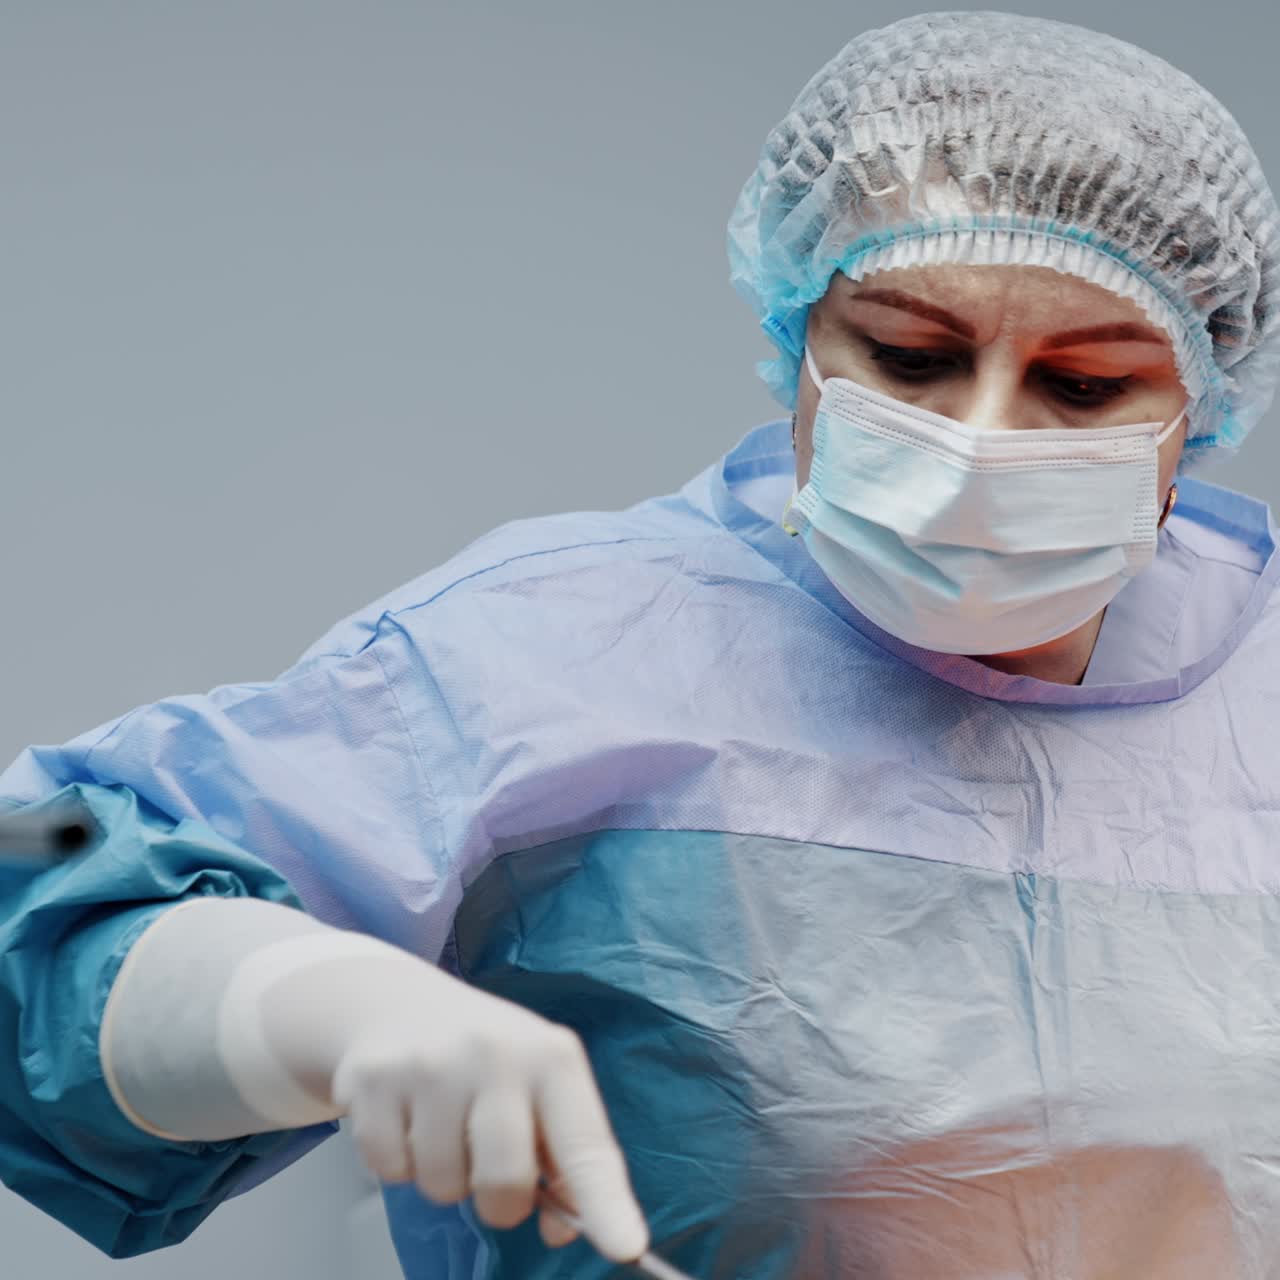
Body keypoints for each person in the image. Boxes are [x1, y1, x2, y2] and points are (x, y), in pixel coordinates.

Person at [3, 10, 1280, 1277]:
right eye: (907, 355)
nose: (980, 443)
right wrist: (307, 1002)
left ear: (1202, 394)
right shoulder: (554, 652)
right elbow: (45, 905)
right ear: (797, 340)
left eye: (1086, 385)